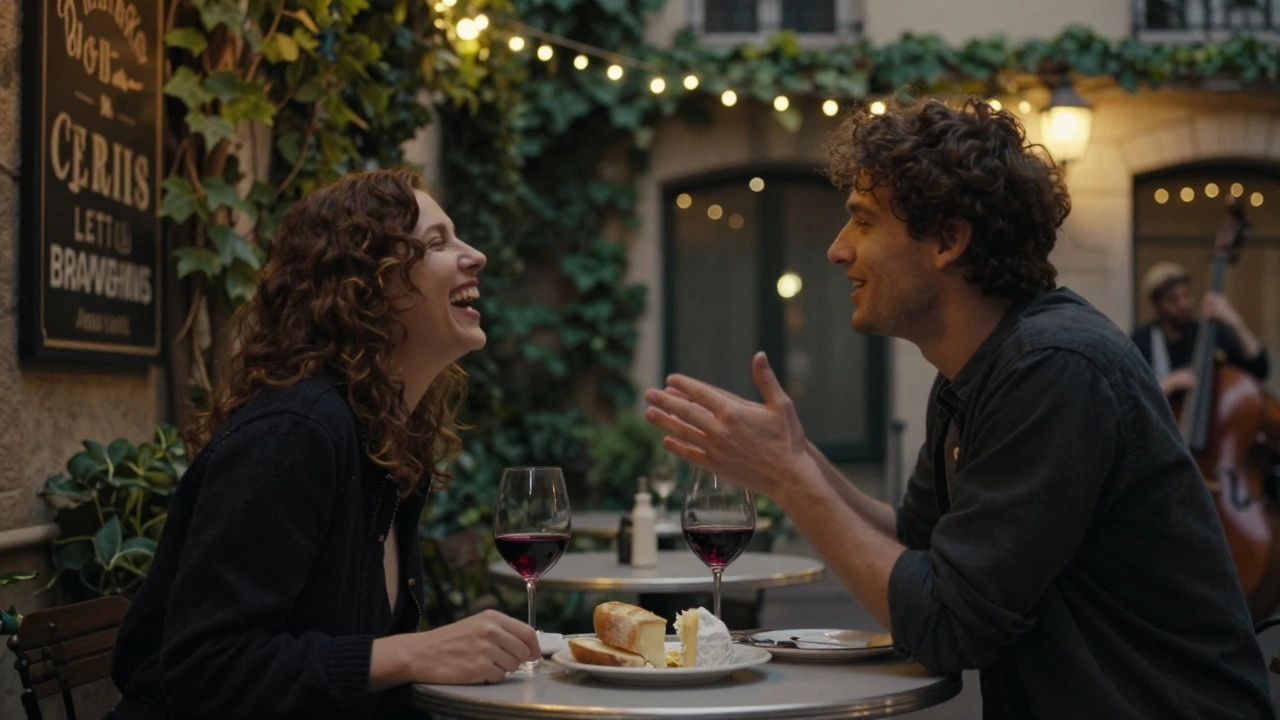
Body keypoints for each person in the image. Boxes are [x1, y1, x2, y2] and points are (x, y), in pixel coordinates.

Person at [643, 98, 1272, 719]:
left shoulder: (1055, 367)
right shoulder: (977, 371)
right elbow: (916, 543)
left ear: (947, 239)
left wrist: (789, 476)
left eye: (862, 221)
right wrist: (798, 457)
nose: (838, 249)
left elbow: (946, 624)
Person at [108, 168, 540, 719]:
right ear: (368, 284)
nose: (474, 254)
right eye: (436, 242)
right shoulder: (296, 432)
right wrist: (413, 652)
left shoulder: (385, 440)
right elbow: (203, 668)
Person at [1131, 260, 1269, 398]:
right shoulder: (1141, 340)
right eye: (1173, 300)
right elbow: (1130, 396)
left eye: (1186, 295)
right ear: (1157, 305)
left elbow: (1258, 370)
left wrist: (1236, 323)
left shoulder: (1209, 332)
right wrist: (1164, 387)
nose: (1183, 304)